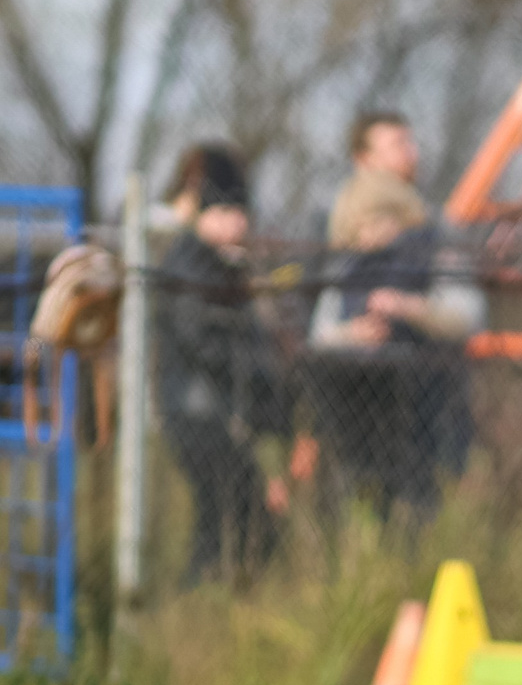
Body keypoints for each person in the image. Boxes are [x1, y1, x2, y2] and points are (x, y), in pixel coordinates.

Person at [308, 111, 482, 529]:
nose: (412, 155)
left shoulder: (438, 233)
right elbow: (320, 332)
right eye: (396, 146)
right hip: (356, 415)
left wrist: (411, 309)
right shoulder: (341, 237)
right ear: (362, 161)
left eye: (411, 143)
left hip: (429, 410)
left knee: (420, 518)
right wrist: (352, 335)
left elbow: (468, 315)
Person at [155, 145, 279, 584]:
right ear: (202, 215)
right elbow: (205, 343)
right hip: (199, 412)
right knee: (226, 514)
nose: (236, 223)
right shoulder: (193, 264)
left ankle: (213, 594)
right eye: (224, 212)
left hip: (213, 411)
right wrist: (262, 377)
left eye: (240, 212)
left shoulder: (223, 264)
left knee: (231, 515)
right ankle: (201, 595)